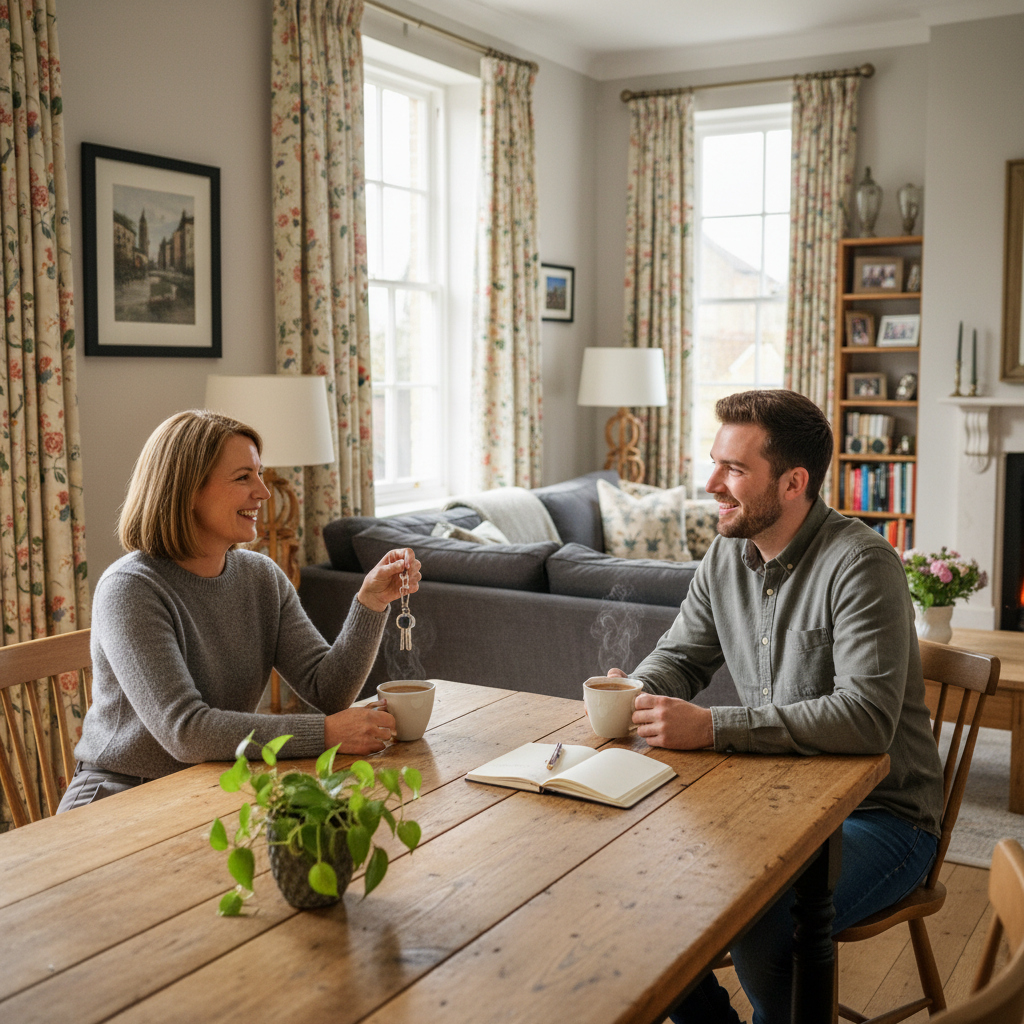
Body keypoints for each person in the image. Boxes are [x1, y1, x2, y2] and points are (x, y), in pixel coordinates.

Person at [595, 390, 943, 1024]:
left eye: (734, 469)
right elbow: (681, 657)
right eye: (714, 463)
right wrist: (637, 691)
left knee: (764, 928)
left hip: (885, 817)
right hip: (779, 798)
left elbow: (866, 718)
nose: (710, 484)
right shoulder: (726, 554)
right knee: (635, 891)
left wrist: (712, 728)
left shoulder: (862, 563)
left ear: (793, 482)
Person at [58, 410, 421, 812]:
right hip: (121, 795)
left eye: (260, 474)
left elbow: (328, 689)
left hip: (212, 784)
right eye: (243, 477)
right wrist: (326, 733)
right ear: (187, 490)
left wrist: (371, 602)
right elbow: (186, 731)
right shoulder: (131, 589)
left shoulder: (260, 576)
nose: (264, 492)